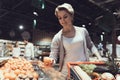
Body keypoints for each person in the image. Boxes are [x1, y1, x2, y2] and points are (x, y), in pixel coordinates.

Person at [49, 3, 103, 79]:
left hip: (83, 70)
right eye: (59, 18)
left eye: (65, 17)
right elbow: (53, 56)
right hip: (67, 72)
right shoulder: (57, 37)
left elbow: (91, 45)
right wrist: (51, 61)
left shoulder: (82, 31)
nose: (62, 20)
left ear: (71, 16)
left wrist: (99, 57)